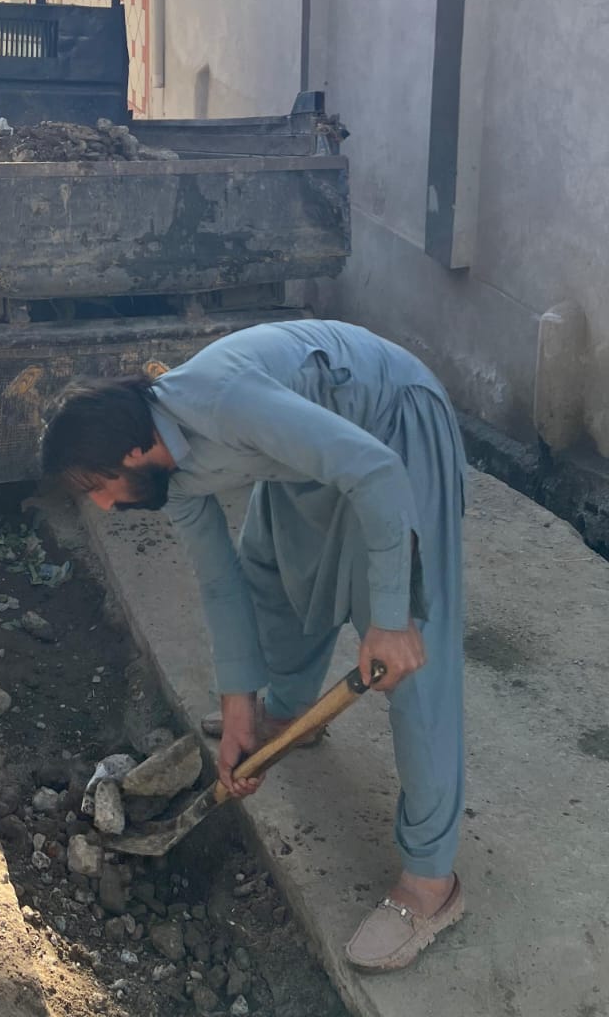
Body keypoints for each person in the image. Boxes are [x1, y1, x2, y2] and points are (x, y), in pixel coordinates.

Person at [40, 319, 465, 973]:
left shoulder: (224, 400)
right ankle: (289, 717)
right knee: (269, 566)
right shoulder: (168, 475)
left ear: (135, 451)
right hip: (318, 450)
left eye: (99, 487)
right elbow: (220, 581)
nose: (102, 506)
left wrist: (389, 616)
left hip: (394, 428)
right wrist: (238, 707)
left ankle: (432, 883)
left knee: (411, 661)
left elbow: (376, 471)